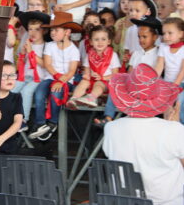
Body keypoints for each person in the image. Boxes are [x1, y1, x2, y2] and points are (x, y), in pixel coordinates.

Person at [103, 63, 184, 205]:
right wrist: (175, 125)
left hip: (125, 201)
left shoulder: (111, 128)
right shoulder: (173, 130)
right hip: (167, 201)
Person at [29, 12, 81, 141]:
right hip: (51, 77)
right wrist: (56, 77)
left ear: (67, 32)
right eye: (51, 30)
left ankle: (53, 122)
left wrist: (61, 81)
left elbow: (71, 72)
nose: (52, 33)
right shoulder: (50, 46)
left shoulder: (74, 50)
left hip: (66, 80)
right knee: (39, 93)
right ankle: (40, 124)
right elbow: (47, 64)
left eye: (56, 30)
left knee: (56, 92)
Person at [67, 25, 120, 109]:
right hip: (92, 79)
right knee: (84, 82)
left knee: (99, 84)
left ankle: (91, 98)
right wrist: (87, 75)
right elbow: (86, 71)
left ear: (109, 41)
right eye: (96, 39)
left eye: (103, 39)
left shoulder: (113, 55)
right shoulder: (89, 55)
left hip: (105, 81)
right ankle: (74, 99)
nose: (100, 42)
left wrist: (102, 77)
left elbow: (115, 75)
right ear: (91, 42)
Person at [13, 11, 50, 132]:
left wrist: (31, 53)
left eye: (37, 29)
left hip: (40, 78)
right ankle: (8, 116)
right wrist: (23, 55)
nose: (33, 32)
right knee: (12, 89)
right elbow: (20, 65)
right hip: (26, 77)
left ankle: (23, 120)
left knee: (26, 91)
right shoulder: (27, 44)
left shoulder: (47, 46)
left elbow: (45, 64)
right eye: (30, 29)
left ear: (44, 31)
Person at [155, 17, 184, 126]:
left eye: (170, 33)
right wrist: (153, 80)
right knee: (162, 99)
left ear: (181, 34)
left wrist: (175, 85)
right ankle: (168, 124)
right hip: (167, 82)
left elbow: (183, 70)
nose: (166, 36)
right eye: (164, 33)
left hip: (181, 83)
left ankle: (181, 126)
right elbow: (159, 66)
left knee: (177, 101)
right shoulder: (163, 47)